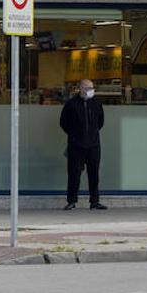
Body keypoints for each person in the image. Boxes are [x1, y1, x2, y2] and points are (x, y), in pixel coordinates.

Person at [60, 78, 106, 210]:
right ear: (81, 89)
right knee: (74, 173)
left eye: (92, 88)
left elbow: (100, 122)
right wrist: (74, 135)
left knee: (94, 173)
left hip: (93, 144)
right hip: (76, 145)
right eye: (87, 88)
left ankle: (94, 201)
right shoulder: (71, 104)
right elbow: (63, 122)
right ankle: (72, 200)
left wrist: (92, 133)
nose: (90, 91)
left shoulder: (96, 104)